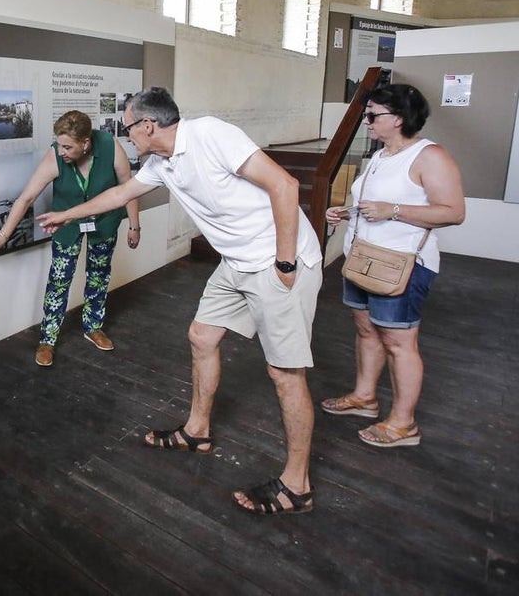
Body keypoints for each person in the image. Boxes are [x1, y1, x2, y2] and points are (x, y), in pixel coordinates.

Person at [37, 87, 323, 515]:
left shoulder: (210, 135)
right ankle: (198, 430)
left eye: (128, 127)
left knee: (285, 373)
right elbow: (120, 194)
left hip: (278, 260)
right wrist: (66, 214)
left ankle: (297, 486)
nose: (126, 134)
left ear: (148, 126)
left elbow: (285, 184)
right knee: (201, 336)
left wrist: (284, 262)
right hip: (237, 262)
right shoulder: (161, 163)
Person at [321, 84, 464, 448]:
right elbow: (372, 205)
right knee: (366, 330)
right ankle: (365, 398)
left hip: (402, 264)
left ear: (398, 118)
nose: (366, 122)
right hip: (364, 259)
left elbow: (453, 211)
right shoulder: (380, 156)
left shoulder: (429, 155)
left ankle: (404, 424)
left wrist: (393, 211)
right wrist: (345, 212)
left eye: (373, 115)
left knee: (400, 343)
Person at [0, 110, 140, 367]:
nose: (60, 150)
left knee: (99, 275)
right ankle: (48, 339)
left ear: (86, 143)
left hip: (105, 222)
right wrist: (3, 235)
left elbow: (127, 184)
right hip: (66, 225)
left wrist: (134, 225)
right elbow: (26, 197)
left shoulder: (109, 145)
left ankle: (93, 326)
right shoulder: (55, 156)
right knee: (59, 281)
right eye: (59, 144)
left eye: (67, 146)